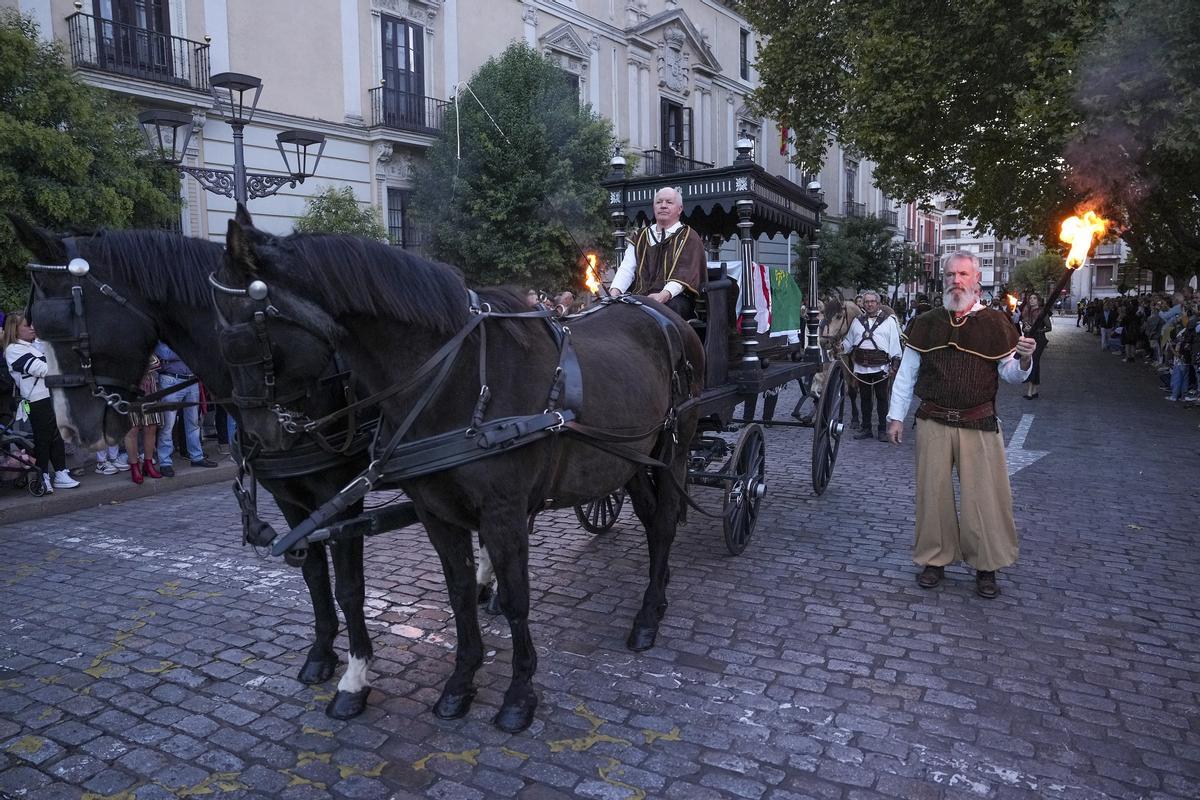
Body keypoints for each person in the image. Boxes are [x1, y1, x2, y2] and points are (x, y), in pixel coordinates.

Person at [886, 252, 1036, 599]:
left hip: (978, 422)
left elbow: (1010, 375)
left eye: (964, 274)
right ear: (944, 278)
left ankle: (986, 566)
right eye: (951, 274)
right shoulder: (926, 322)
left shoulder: (997, 323)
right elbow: (907, 373)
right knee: (932, 495)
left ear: (976, 280)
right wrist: (896, 417)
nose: (957, 280)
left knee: (984, 499)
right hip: (933, 420)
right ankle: (934, 560)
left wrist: (1025, 358)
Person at [3, 312, 79, 494]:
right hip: (37, 399)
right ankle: (42, 474)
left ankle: (61, 472)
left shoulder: (36, 345)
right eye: (27, 326)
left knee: (57, 436)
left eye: (33, 324)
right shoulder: (13, 349)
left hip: (52, 395)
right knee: (43, 439)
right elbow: (44, 369)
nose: (32, 328)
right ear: (15, 329)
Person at [609, 186, 705, 319]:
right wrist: (614, 292)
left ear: (680, 209)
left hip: (675, 299)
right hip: (640, 297)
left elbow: (683, 276)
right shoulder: (640, 236)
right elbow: (627, 269)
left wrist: (663, 295)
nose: (663, 206)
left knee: (670, 310)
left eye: (669, 202)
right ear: (654, 207)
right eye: (659, 202)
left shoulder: (689, 236)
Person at [842, 291, 902, 441]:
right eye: (866, 302)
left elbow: (895, 345)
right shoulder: (857, 322)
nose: (869, 304)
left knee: (882, 398)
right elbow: (848, 343)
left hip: (881, 367)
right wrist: (840, 347)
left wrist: (894, 364)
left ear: (878, 303)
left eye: (872, 302)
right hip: (861, 367)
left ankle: (882, 429)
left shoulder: (888, 322)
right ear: (863, 304)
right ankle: (866, 428)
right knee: (865, 399)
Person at [154, 342, 217, 476]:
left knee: (194, 422)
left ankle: (196, 456)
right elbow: (165, 353)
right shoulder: (164, 336)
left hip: (190, 380)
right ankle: (165, 462)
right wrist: (186, 349)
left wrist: (181, 350)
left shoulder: (181, 336)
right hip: (170, 379)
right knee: (168, 424)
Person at [125, 355, 164, 484]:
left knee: (151, 427)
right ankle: (134, 467)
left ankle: (148, 463)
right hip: (129, 389)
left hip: (149, 387)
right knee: (133, 429)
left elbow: (156, 362)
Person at [1019, 292, 1050, 399]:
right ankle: (1035, 391)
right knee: (1034, 363)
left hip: (1039, 340)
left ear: (1038, 300)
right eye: (1030, 298)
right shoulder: (1026, 311)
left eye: (1034, 298)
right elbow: (1023, 327)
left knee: (1034, 362)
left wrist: (1036, 329)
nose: (1032, 300)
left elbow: (1049, 327)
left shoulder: (1042, 312)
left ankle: (1030, 392)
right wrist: (1025, 329)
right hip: (1028, 338)